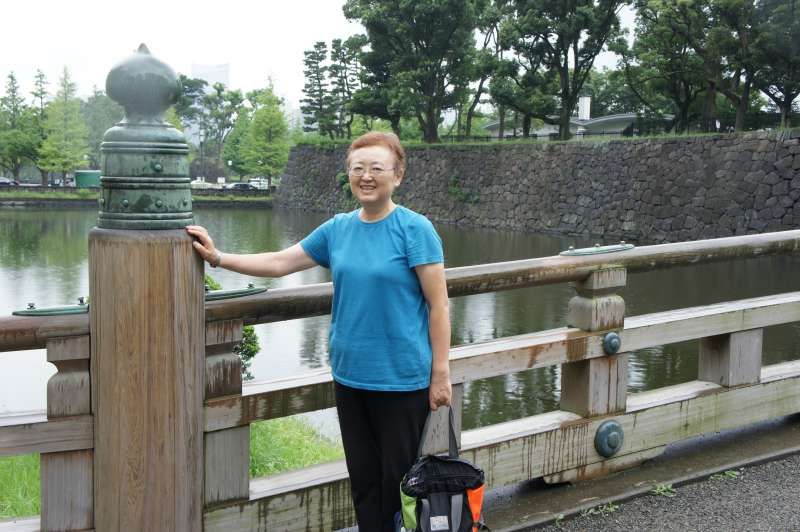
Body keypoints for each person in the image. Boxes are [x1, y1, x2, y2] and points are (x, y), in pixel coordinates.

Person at [187, 131, 451, 531]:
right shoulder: (338, 229)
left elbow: (439, 304)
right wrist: (218, 257)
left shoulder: (415, 229)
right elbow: (279, 262)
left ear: (397, 176)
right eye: (357, 168)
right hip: (350, 375)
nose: (365, 176)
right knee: (363, 479)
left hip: (402, 379)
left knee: (397, 484)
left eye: (376, 168)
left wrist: (441, 373)